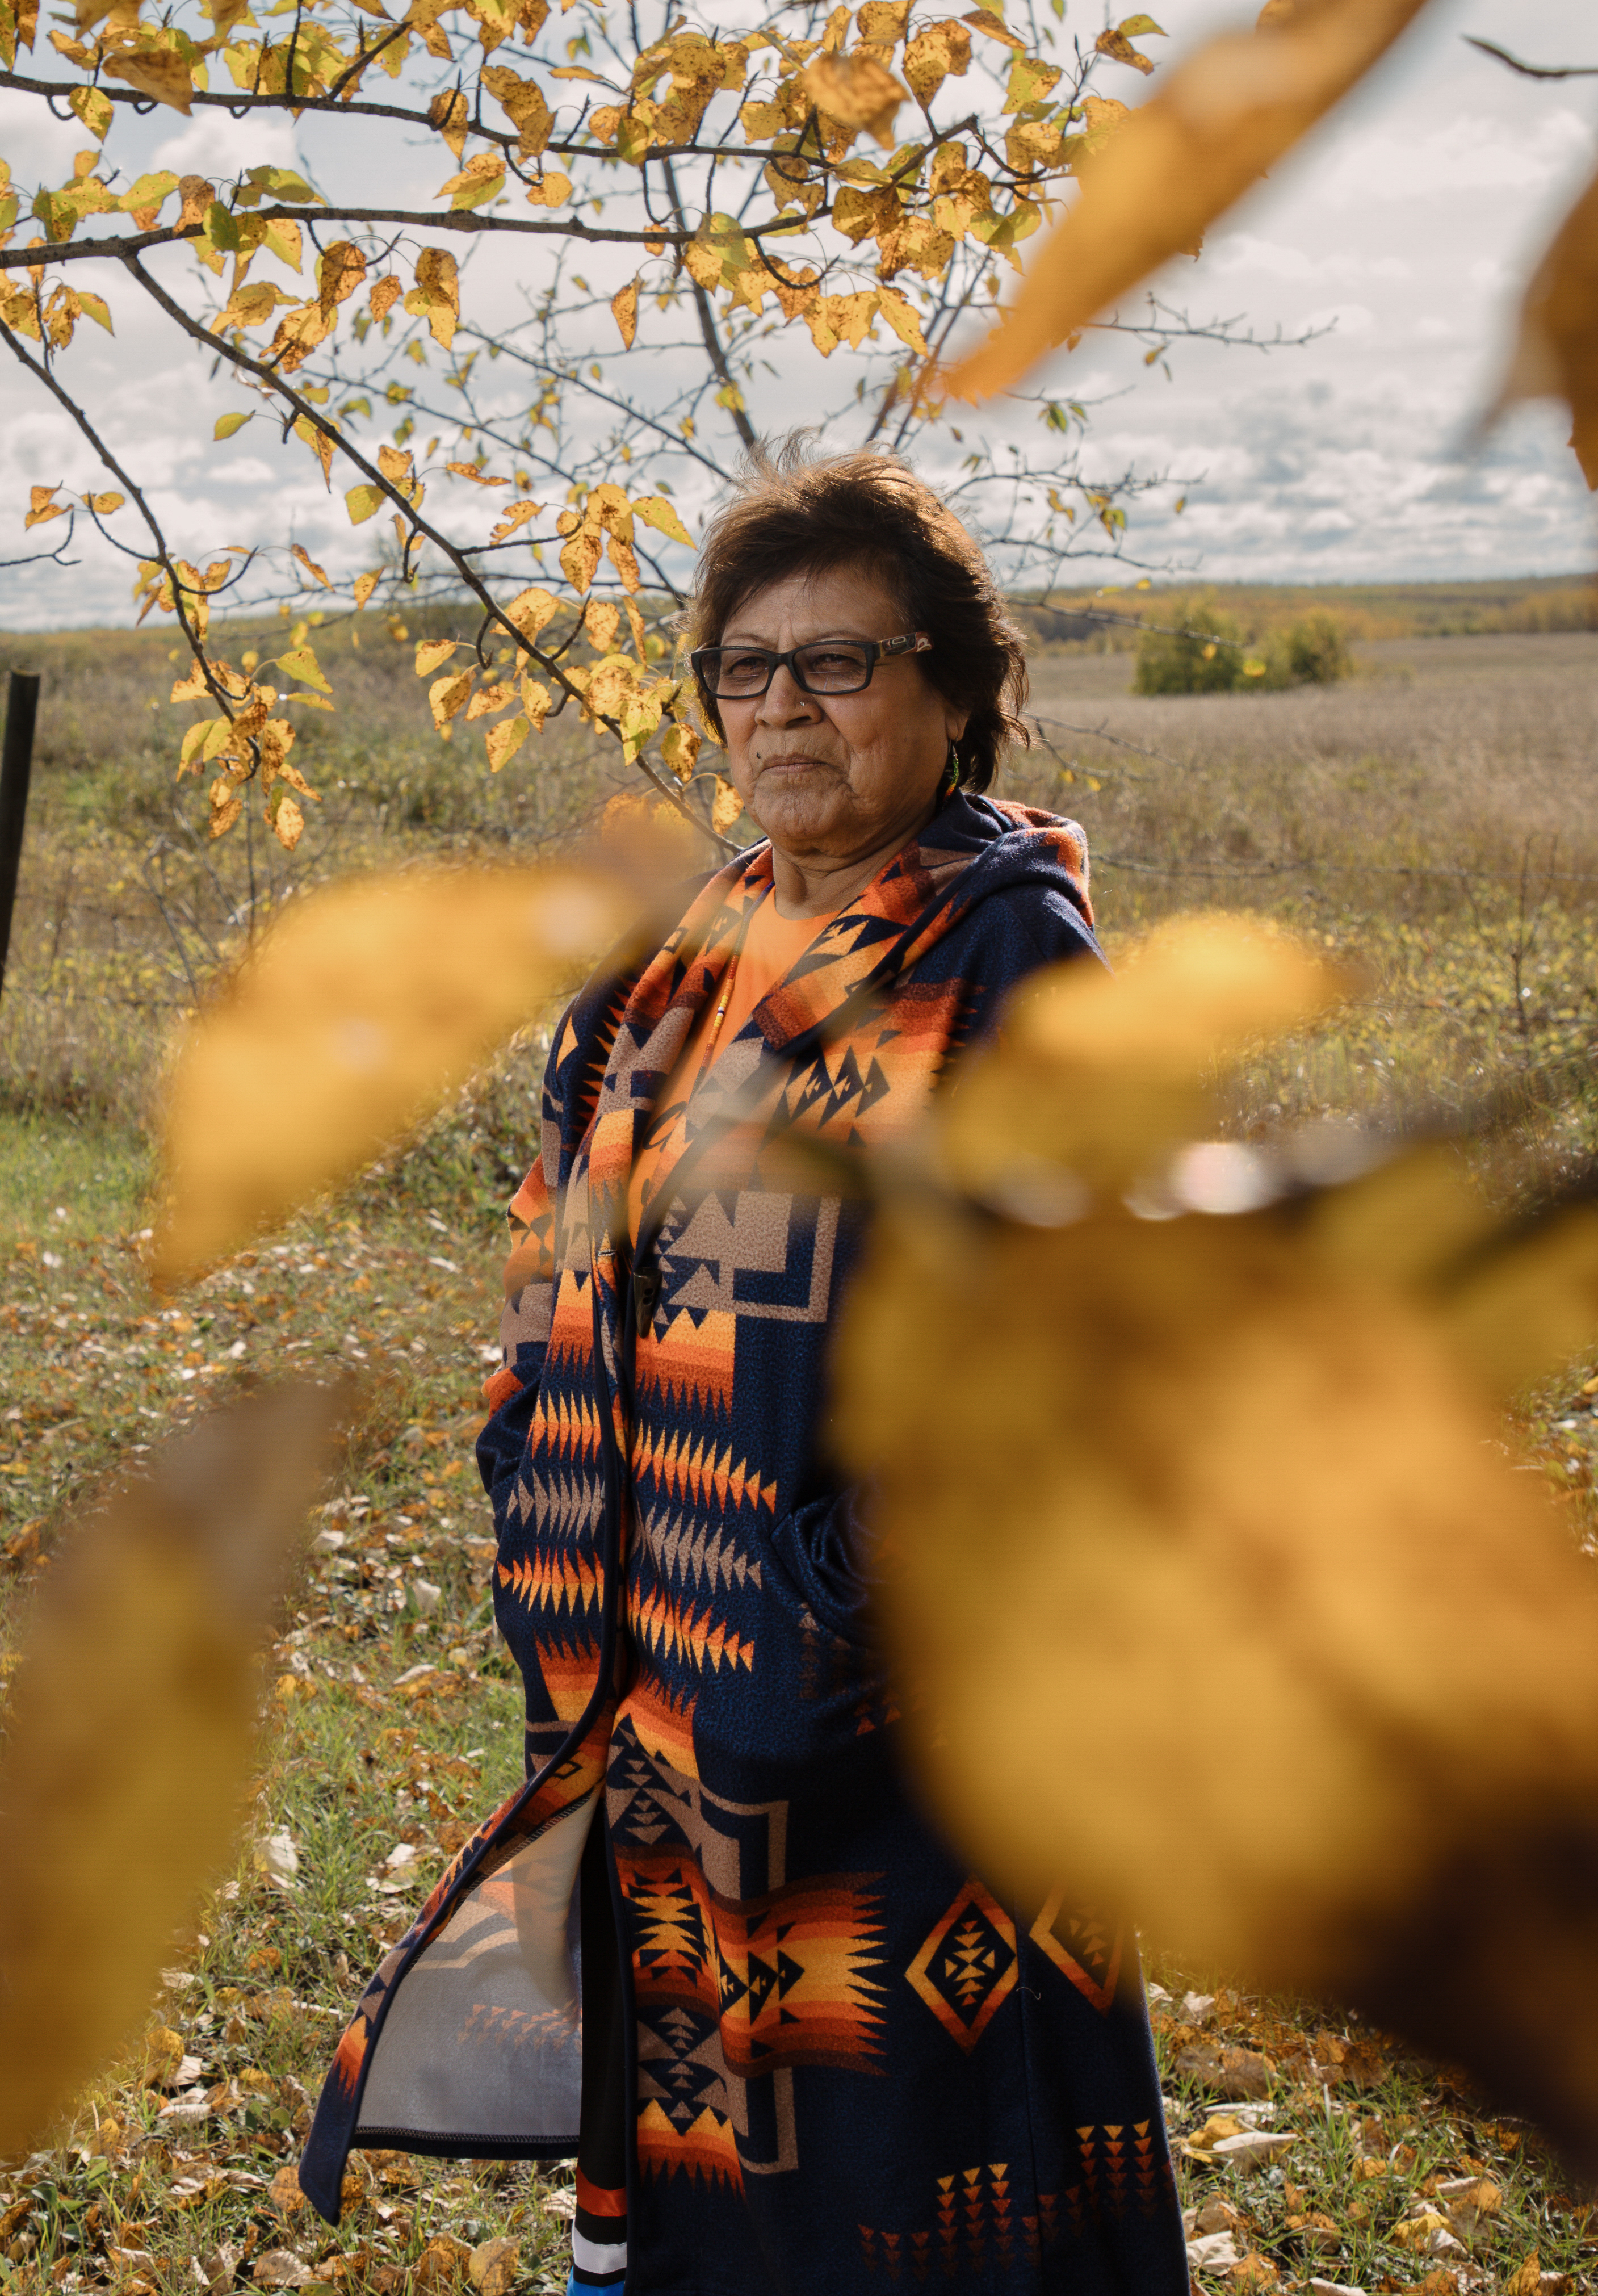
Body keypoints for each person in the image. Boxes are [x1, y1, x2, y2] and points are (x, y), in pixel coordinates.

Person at [297, 450, 1190, 2296]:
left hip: (908, 1769)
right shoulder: (662, 978)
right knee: (717, 2210)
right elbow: (553, 1275)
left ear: (955, 693)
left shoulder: (1011, 956)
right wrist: (530, 1486)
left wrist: (816, 1625)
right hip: (665, 1755)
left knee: (924, 2209)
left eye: (842, 662)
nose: (785, 704)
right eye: (746, 667)